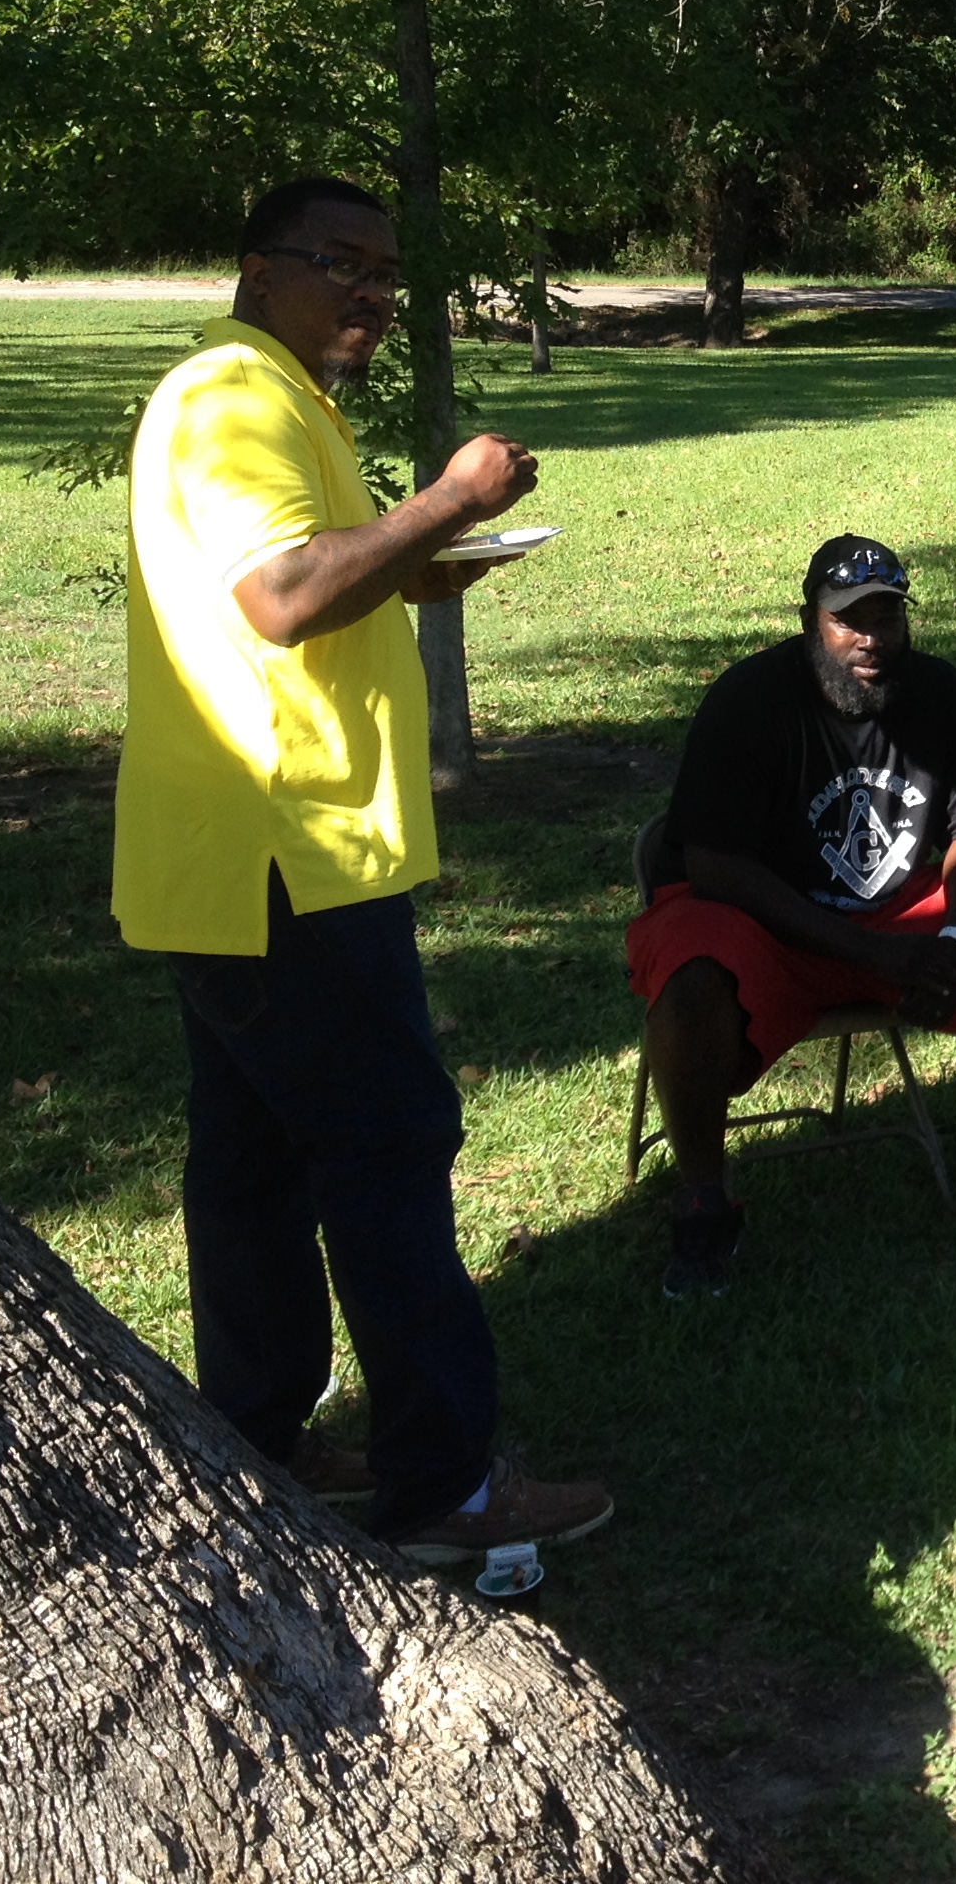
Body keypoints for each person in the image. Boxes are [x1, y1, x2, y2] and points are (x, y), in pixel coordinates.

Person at [113, 174, 613, 1562]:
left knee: (255, 1162)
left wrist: (419, 560)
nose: (374, 295)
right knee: (389, 1149)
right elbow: (283, 598)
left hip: (236, 857)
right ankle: (444, 1491)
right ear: (257, 267)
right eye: (342, 264)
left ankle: (258, 1441)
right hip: (291, 856)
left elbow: (298, 580)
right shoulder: (234, 396)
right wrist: (447, 497)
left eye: (387, 275)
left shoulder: (277, 395)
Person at [628, 534, 956, 1297]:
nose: (871, 639)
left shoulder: (938, 692)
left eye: (888, 618)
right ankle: (704, 1199)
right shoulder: (750, 699)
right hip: (768, 924)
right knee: (689, 967)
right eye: (850, 620)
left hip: (895, 917)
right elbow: (714, 866)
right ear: (810, 621)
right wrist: (872, 954)